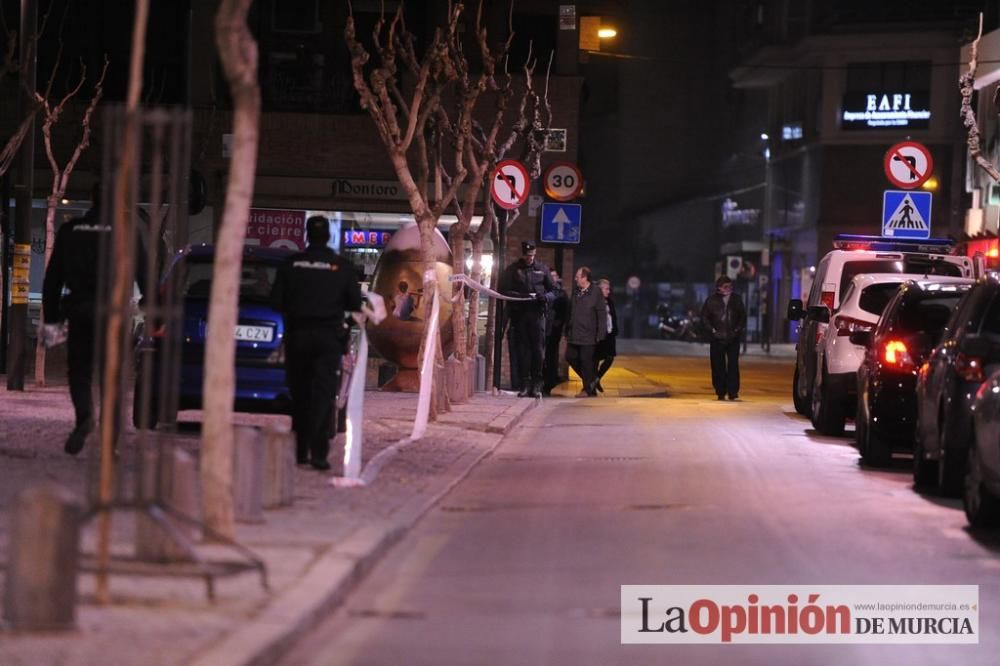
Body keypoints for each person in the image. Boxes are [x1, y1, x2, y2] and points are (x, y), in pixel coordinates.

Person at [42, 183, 145, 455]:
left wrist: (52, 319)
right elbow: (146, 275)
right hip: (114, 313)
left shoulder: (70, 231)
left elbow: (53, 280)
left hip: (81, 311)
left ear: (92, 198)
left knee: (80, 371)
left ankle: (85, 417)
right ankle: (110, 443)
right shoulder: (128, 234)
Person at [272, 216, 363, 470]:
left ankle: (300, 451)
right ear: (328, 236)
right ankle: (319, 453)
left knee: (300, 393)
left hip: (298, 336)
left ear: (307, 235)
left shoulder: (290, 265)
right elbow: (355, 305)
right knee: (323, 394)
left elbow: (276, 301)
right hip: (328, 338)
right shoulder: (341, 267)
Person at [498, 241, 557, 397]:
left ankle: (537, 384)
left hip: (537, 315)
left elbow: (554, 291)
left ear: (535, 253)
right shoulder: (513, 270)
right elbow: (503, 290)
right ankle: (525, 384)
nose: (530, 258)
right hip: (521, 315)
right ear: (523, 254)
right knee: (523, 350)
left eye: (532, 255)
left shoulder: (542, 269)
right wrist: (519, 296)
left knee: (538, 351)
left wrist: (545, 297)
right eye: (527, 255)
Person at [701, 275, 747, 401]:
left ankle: (733, 391)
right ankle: (720, 390)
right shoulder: (711, 300)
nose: (728, 289)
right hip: (717, 338)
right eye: (725, 286)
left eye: (730, 286)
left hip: (733, 338)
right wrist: (712, 330)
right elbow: (704, 317)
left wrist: (737, 330)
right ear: (719, 288)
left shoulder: (736, 299)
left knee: (733, 365)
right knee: (717, 365)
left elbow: (742, 316)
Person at [565, 266, 607, 397]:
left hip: (589, 335)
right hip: (574, 333)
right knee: (570, 357)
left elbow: (601, 313)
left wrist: (601, 333)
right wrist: (567, 328)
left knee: (586, 361)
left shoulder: (596, 292)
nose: (575, 278)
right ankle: (592, 380)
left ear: (584, 278)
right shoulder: (576, 291)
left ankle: (587, 389)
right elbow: (571, 311)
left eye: (578, 276)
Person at [542, 268, 569, 395]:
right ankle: (544, 381)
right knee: (543, 356)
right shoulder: (544, 291)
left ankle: (549, 382)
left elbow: (565, 312)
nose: (552, 278)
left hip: (553, 330)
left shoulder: (561, 294)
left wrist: (559, 324)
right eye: (550, 276)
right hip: (543, 328)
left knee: (550, 356)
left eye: (554, 275)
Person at [593, 278, 618, 393]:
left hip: (610, 333)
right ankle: (592, 383)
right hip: (599, 334)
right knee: (597, 358)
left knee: (610, 357)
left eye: (609, 289)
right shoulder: (595, 301)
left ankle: (597, 378)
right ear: (600, 289)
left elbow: (613, 317)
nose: (609, 291)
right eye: (606, 289)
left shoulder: (610, 301)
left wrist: (615, 330)